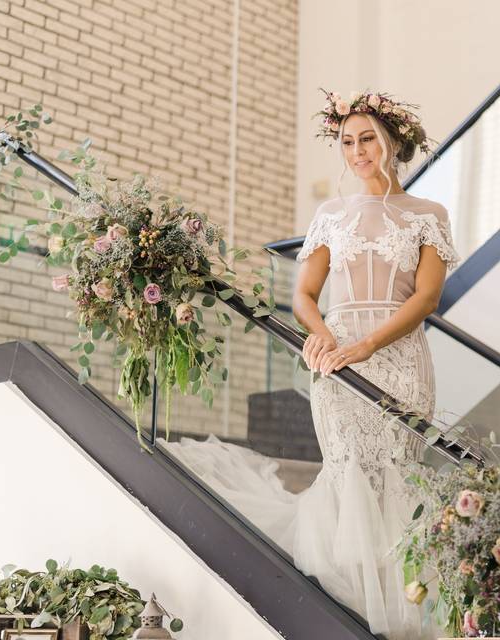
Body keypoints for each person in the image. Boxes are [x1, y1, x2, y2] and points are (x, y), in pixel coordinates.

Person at [166, 89, 459, 639]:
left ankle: (400, 612)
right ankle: (355, 611)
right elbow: (304, 295)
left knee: (399, 472)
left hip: (399, 358)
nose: (357, 150)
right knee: (348, 467)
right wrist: (324, 340)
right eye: (348, 142)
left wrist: (367, 346)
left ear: (393, 142)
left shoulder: (428, 215)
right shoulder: (330, 215)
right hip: (338, 359)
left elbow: (425, 300)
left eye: (367, 138)